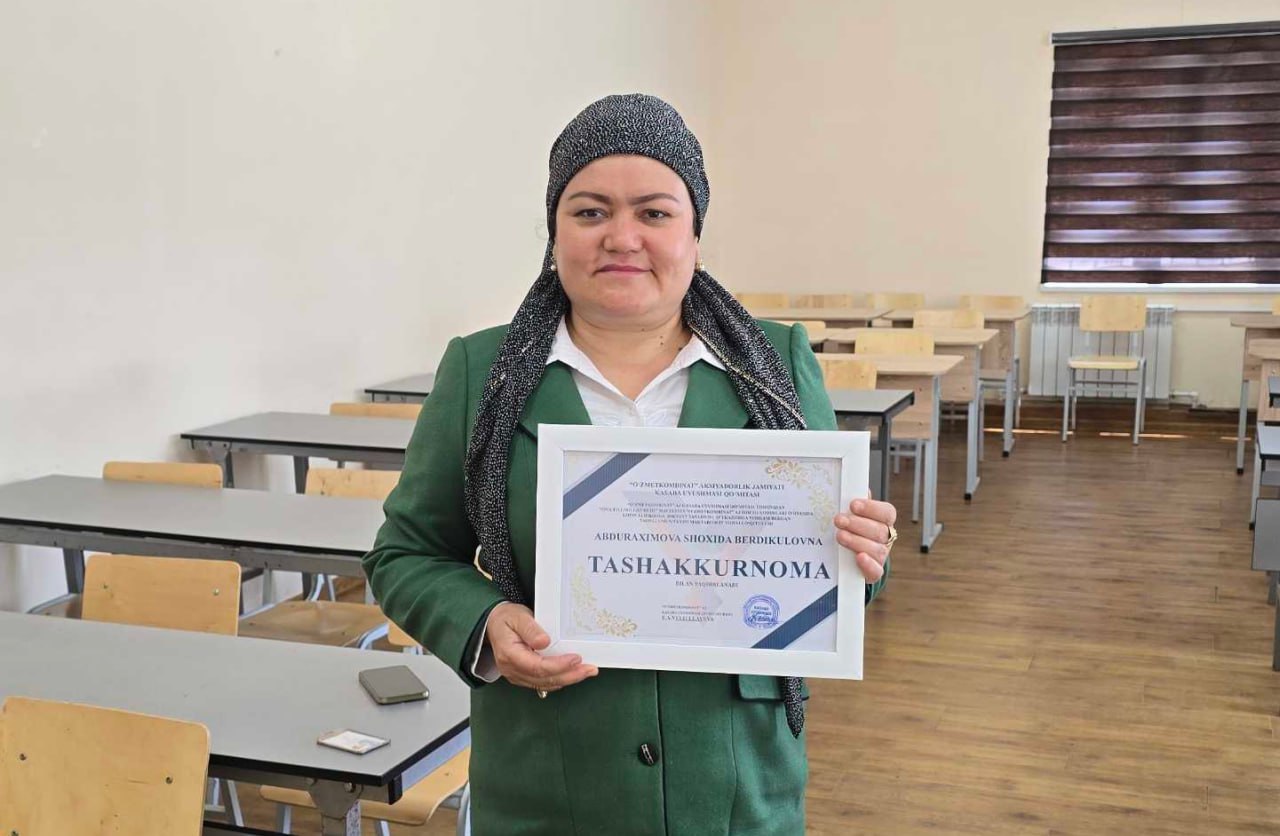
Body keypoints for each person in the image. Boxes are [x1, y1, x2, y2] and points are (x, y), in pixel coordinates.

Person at [364, 93, 897, 835]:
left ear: (694, 235)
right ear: (554, 232)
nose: (622, 237)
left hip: (736, 787)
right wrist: (483, 622)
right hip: (548, 781)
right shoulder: (479, 371)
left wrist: (865, 553)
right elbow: (405, 554)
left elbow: (842, 578)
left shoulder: (775, 362)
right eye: (590, 212)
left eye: (654, 212)